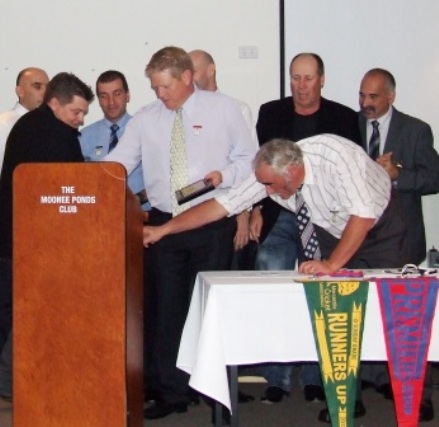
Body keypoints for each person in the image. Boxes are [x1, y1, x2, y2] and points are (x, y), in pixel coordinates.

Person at [143, 135, 409, 423]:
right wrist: (164, 229)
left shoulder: (338, 157)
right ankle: (346, 398)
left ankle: (414, 396)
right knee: (337, 312)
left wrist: (331, 264)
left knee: (394, 312)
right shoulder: (270, 171)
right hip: (334, 231)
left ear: (292, 172)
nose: (266, 192)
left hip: (380, 227)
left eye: (270, 185)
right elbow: (223, 205)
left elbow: (363, 215)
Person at [105, 46, 256, 420]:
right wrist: (83, 182)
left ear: (187, 77)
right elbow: (117, 164)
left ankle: (210, 387)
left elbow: (249, 160)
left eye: (165, 87)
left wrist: (227, 176)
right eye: (155, 88)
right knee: (166, 310)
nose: (160, 95)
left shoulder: (225, 109)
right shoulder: (145, 119)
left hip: (211, 221)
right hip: (164, 223)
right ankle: (171, 392)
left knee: (207, 310)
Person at [250, 53, 362, 404]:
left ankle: (316, 376)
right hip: (281, 213)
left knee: (322, 291)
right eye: (295, 78)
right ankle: (276, 377)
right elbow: (260, 169)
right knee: (270, 274)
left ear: (322, 80)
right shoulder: (271, 113)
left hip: (324, 219)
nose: (301, 86)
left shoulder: (343, 117)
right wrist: (254, 208)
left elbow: (351, 178)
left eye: (308, 79)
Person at [0, 72, 94, 402]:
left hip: (21, 239)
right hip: (38, 242)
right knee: (32, 313)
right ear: (55, 103)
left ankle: (14, 380)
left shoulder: (31, 125)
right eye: (76, 113)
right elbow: (74, 189)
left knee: (22, 312)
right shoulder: (55, 134)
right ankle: (15, 381)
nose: (80, 120)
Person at [358, 67, 439, 422]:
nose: (366, 103)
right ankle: (360, 382)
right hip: (359, 236)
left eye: (373, 97)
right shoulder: (350, 124)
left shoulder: (416, 129)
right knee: (360, 311)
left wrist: (397, 176)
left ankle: (412, 388)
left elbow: (433, 178)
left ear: (391, 96)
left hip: (402, 235)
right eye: (362, 96)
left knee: (404, 315)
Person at [189, 49, 257, 269]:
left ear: (211, 70)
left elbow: (248, 165)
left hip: (227, 210)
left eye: (194, 72)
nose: (189, 78)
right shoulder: (180, 112)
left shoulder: (237, 109)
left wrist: (243, 216)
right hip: (190, 208)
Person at [80, 70, 149, 216]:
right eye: (104, 96)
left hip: (141, 215)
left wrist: (137, 200)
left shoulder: (147, 130)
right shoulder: (84, 136)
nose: (111, 102)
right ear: (98, 100)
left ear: (127, 95)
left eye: (117, 94)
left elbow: (162, 177)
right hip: (98, 216)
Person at [0, 67, 49, 171]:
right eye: (37, 87)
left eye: (48, 88)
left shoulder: (49, 125)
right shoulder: (3, 124)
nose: (45, 93)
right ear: (20, 91)